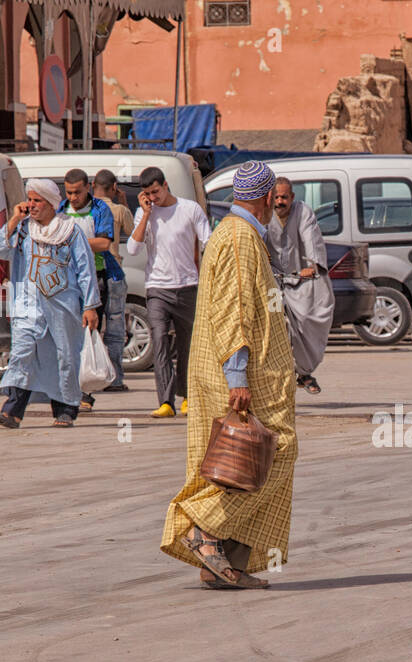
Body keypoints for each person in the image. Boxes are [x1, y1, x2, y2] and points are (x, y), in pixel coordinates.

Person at [161, 161, 297, 590]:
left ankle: (222, 567)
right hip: (239, 375)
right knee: (274, 454)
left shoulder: (231, 233)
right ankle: (204, 528)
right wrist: (237, 376)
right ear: (264, 196)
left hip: (229, 370)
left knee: (235, 466)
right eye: (274, 197)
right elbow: (235, 309)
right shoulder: (240, 239)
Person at [0, 179, 100, 428]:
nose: (32, 205)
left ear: (50, 203)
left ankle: (66, 410)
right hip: (28, 305)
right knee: (22, 354)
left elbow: (85, 269)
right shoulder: (24, 229)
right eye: (30, 200)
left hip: (63, 307)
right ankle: (12, 412)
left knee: (63, 357)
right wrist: (14, 220)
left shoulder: (70, 230)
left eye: (37, 200)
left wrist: (90, 305)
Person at [127, 166, 212, 416]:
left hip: (187, 287)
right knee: (160, 340)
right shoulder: (145, 214)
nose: (153, 197)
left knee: (187, 345)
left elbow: (208, 241)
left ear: (165, 185)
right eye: (148, 194)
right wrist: (145, 214)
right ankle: (165, 402)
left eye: (156, 191)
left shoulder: (190, 209)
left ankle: (186, 396)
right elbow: (133, 248)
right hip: (157, 288)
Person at [267, 177, 335, 394]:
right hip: (271, 281)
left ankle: (304, 372)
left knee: (307, 318)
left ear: (292, 197)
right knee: (271, 325)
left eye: (284, 197)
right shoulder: (264, 214)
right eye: (276, 197)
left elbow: (311, 238)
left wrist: (313, 265)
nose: (280, 202)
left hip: (299, 279)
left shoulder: (303, 211)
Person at [59, 168, 120, 411]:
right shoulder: (60, 210)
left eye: (77, 192)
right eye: (69, 192)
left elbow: (104, 243)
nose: (73, 197)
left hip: (95, 277)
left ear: (89, 187)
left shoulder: (100, 210)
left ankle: (85, 392)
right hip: (65, 280)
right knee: (67, 336)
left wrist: (72, 242)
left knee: (89, 332)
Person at [93, 168, 134, 392]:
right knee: (116, 326)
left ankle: (93, 375)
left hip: (92, 273)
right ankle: (115, 379)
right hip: (115, 271)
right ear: (114, 188)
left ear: (92, 185)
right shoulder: (118, 210)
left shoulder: (86, 209)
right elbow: (132, 231)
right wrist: (123, 200)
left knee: (92, 326)